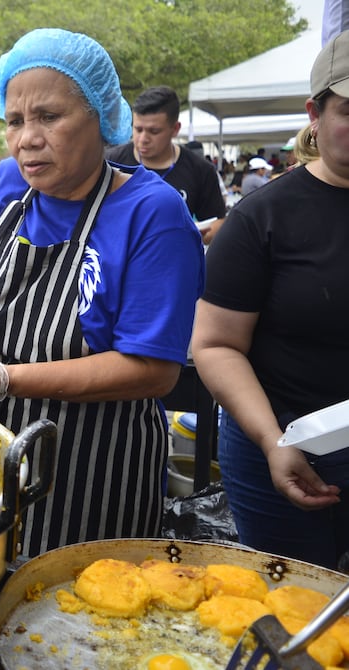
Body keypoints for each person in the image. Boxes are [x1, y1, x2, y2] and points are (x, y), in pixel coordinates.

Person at [0, 28, 204, 558]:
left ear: (99, 116)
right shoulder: (5, 186)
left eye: (48, 117)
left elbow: (152, 370)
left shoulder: (151, 212)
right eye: (15, 121)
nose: (27, 138)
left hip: (98, 468)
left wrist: (3, 377)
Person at [191, 29, 349, 571]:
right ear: (316, 113)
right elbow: (214, 345)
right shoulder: (262, 217)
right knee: (298, 615)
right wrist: (274, 439)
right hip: (281, 445)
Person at [106, 86, 227, 240]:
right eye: (138, 129)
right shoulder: (111, 162)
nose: (143, 139)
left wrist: (191, 234)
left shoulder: (200, 170)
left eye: (154, 131)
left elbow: (218, 222)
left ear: (175, 129)